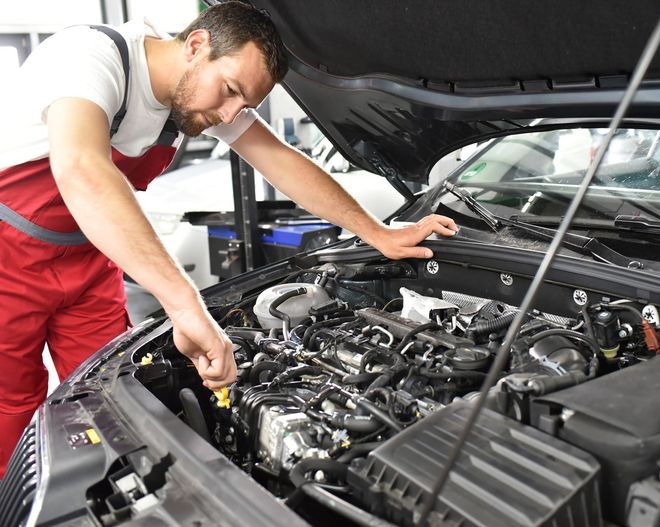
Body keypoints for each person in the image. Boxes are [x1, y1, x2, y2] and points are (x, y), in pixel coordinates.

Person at [0, 1, 457, 477]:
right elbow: (82, 169)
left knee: (110, 402)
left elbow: (283, 162)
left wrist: (377, 232)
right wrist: (184, 305)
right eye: (230, 92)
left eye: (243, 106)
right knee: (10, 408)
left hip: (91, 259)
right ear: (197, 45)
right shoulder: (91, 56)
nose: (228, 116)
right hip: (8, 256)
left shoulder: (200, 95)